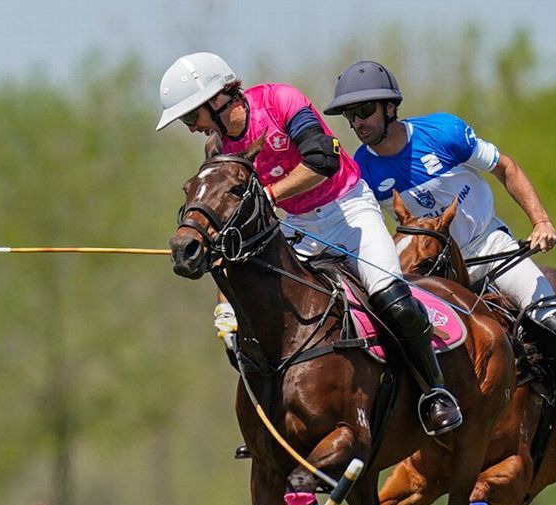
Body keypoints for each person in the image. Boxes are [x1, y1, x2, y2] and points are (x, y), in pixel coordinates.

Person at [324, 60, 556, 477]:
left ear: (389, 109)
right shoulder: (361, 170)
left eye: (364, 111)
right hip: (426, 273)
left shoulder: (445, 133)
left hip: (488, 250)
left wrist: (541, 221)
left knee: (554, 324)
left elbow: (505, 167)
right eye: (349, 115)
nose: (356, 122)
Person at [156, 52, 462, 437]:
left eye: (190, 117)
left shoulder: (281, 101)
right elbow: (230, 237)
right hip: (299, 225)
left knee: (392, 299)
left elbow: (322, 160)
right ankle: (272, 422)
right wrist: (225, 303)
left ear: (217, 100)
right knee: (254, 320)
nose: (190, 128)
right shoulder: (218, 149)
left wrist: (268, 195)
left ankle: (434, 391)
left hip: (349, 211)